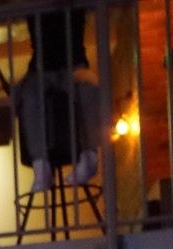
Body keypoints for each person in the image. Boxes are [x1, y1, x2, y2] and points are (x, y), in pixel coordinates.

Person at [12, 3, 104, 194]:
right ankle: (41, 163)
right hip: (41, 69)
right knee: (29, 95)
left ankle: (89, 155)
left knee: (87, 89)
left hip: (73, 64)